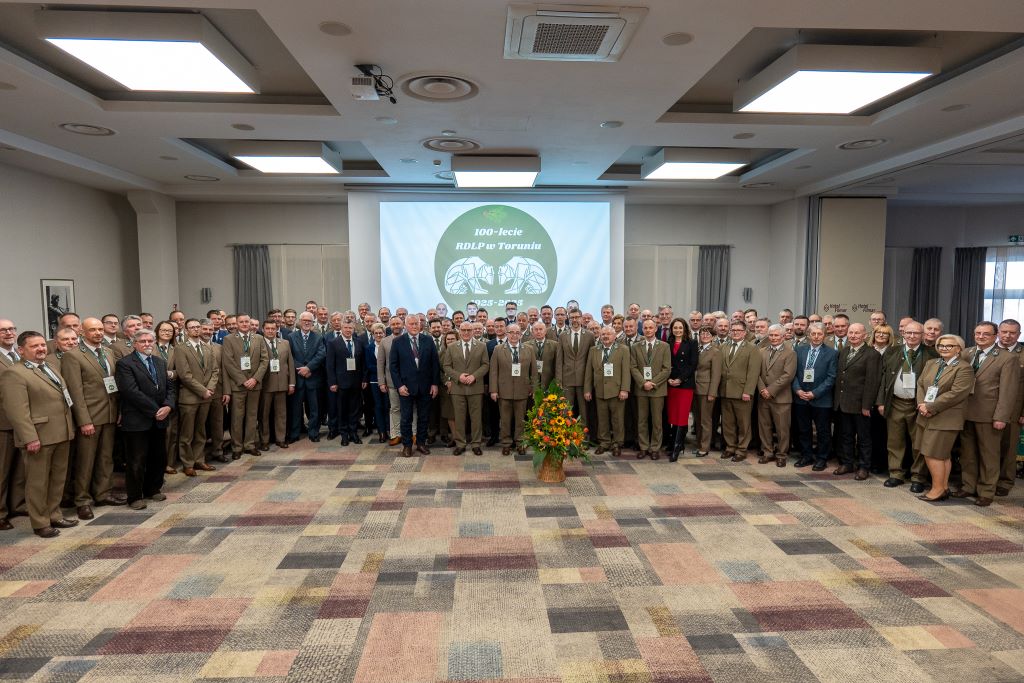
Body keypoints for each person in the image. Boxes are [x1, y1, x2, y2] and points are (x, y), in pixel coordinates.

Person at [0, 331, 77, 537]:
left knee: (58, 479)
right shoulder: (14, 373)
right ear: (21, 350)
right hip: (39, 436)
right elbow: (17, 411)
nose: (41, 349)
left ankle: (54, 514)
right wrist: (30, 437)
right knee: (38, 482)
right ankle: (40, 522)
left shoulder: (49, 367)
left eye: (43, 345)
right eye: (34, 346)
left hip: (62, 432)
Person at [61, 317, 126, 519]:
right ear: (82, 332)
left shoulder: (107, 352)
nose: (98, 333)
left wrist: (119, 411)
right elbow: (75, 391)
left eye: (99, 329)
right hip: (90, 416)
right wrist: (84, 420)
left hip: (109, 413)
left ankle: (103, 493)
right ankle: (82, 500)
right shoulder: (73, 356)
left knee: (106, 458)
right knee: (85, 461)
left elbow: (113, 384)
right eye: (93, 330)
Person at [955, 321, 1020, 506]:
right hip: (965, 412)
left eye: (985, 334)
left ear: (995, 336)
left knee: (988, 455)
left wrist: (1001, 417)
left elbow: (1009, 391)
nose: (981, 337)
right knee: (967, 453)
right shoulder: (966, 353)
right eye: (977, 333)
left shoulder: (1007, 358)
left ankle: (986, 491)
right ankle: (968, 486)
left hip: (989, 415)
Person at [115, 329, 176, 511]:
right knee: (137, 459)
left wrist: (168, 406)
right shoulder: (125, 364)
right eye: (143, 341)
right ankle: (135, 496)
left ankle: (153, 488)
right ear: (134, 344)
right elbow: (130, 391)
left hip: (160, 418)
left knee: (158, 457)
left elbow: (170, 388)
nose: (147, 344)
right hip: (137, 420)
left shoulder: (159, 361)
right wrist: (155, 410)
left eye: (150, 341)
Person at [914, 334, 974, 502]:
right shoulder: (932, 363)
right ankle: (944, 487)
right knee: (940, 454)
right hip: (925, 415)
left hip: (946, 418)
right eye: (941, 345)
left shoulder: (964, 368)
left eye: (949, 346)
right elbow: (920, 384)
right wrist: (921, 404)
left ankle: (937, 489)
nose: (944, 348)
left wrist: (930, 407)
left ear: (958, 349)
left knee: (933, 454)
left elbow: (957, 393)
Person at [877, 321, 935, 492]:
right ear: (903, 334)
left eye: (916, 333)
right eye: (908, 333)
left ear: (923, 335)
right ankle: (896, 474)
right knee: (894, 442)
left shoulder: (931, 354)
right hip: (895, 402)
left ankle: (918, 477)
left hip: (918, 406)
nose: (911, 336)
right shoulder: (892, 351)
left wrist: (928, 404)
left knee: (918, 443)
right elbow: (883, 378)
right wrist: (880, 401)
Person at [833, 323, 881, 480]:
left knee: (863, 438)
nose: (853, 335)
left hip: (861, 405)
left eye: (857, 333)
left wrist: (867, 405)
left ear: (865, 335)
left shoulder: (872, 354)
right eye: (851, 332)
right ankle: (847, 463)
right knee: (845, 435)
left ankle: (863, 467)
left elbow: (872, 382)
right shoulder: (844, 351)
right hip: (843, 403)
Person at [174, 318, 221, 475]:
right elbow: (184, 375)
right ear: (186, 330)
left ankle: (199, 460)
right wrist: (203, 390)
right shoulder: (181, 348)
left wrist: (210, 389)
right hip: (189, 398)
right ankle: (188, 463)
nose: (195, 329)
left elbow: (215, 371)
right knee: (187, 433)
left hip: (206, 396)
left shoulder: (207, 348)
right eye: (191, 327)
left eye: (197, 327)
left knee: (201, 431)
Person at [389, 315, 439, 457]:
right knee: (406, 418)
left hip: (425, 386)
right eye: (411, 324)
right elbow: (393, 366)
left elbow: (435, 364)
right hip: (406, 388)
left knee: (423, 417)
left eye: (416, 323)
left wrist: (435, 384)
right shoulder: (398, 341)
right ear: (406, 325)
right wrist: (399, 385)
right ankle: (407, 445)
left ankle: (421, 443)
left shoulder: (428, 340)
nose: (414, 326)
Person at [222, 314, 269, 458]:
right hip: (238, 386)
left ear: (250, 323)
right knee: (237, 417)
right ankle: (237, 447)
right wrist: (243, 380)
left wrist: (255, 379)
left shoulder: (259, 338)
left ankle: (249, 445)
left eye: (246, 321)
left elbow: (264, 360)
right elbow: (228, 362)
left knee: (252, 416)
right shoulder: (228, 339)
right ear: (236, 324)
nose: (244, 324)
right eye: (241, 322)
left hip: (255, 385)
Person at [792, 323, 837, 470]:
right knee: (803, 429)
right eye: (813, 334)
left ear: (824, 335)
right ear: (808, 335)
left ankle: (822, 458)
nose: (816, 337)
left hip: (821, 400)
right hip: (801, 397)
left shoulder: (832, 353)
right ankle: (806, 456)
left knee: (823, 431)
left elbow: (831, 378)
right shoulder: (799, 350)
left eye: (819, 334)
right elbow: (793, 373)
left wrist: (815, 393)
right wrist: (797, 390)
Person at [490, 323, 537, 455]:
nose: (514, 335)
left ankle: (520, 442)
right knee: (505, 420)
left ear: (521, 334)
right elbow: (493, 371)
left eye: (517, 333)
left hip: (523, 390)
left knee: (521, 419)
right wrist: (494, 390)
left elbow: (533, 372)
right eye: (511, 332)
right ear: (507, 334)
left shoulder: (529, 349)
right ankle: (506, 443)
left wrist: (534, 388)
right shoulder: (498, 349)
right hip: (503, 391)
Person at [584, 326, 630, 457]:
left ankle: (617, 443)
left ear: (615, 336)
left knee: (618, 419)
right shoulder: (594, 350)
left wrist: (624, 389)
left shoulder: (623, 350)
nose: (605, 336)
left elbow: (626, 371)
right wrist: (587, 389)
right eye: (603, 334)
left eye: (608, 334)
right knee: (602, 419)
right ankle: (604, 443)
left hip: (617, 391)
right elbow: (588, 372)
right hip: (599, 391)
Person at [444, 321, 489, 456]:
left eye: (469, 330)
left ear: (473, 331)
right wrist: (459, 376)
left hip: (475, 387)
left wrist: (474, 376)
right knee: (459, 417)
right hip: (458, 388)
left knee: (476, 418)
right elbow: (446, 366)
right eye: (463, 330)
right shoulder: (452, 347)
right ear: (459, 331)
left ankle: (476, 444)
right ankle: (460, 444)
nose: (466, 332)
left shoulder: (481, 346)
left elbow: (485, 365)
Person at [718, 321, 761, 462]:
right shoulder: (723, 346)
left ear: (745, 332)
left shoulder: (752, 348)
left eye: (738, 330)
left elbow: (753, 373)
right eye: (733, 330)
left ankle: (742, 449)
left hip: (743, 392)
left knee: (743, 423)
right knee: (727, 423)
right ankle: (730, 447)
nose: (735, 332)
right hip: (725, 391)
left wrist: (748, 391)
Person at [757, 324, 797, 467]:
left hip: (781, 398)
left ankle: (781, 455)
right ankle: (767, 452)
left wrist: (771, 390)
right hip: (763, 397)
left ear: (783, 336)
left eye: (776, 335)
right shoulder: (761, 351)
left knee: (782, 429)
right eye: (771, 335)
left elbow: (788, 375)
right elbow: (756, 373)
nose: (773, 338)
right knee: (764, 426)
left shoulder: (790, 353)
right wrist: (763, 389)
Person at [631, 318, 672, 460]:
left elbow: (666, 369)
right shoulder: (636, 346)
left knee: (657, 421)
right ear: (642, 329)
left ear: (656, 329)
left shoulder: (664, 346)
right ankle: (643, 447)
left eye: (651, 328)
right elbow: (633, 367)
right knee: (641, 420)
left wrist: (653, 383)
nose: (648, 330)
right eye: (646, 328)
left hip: (657, 389)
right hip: (641, 389)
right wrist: (643, 383)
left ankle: (655, 448)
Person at [326, 320, 366, 445]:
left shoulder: (359, 342)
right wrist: (332, 382)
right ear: (341, 328)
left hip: (356, 381)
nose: (348, 330)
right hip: (340, 383)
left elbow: (363, 364)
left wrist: (364, 379)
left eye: (350, 328)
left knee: (354, 409)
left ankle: (353, 432)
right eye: (346, 327)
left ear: (354, 329)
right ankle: (344, 434)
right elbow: (330, 365)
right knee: (342, 409)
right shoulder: (333, 343)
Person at [288, 312, 325, 443]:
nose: (307, 322)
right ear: (300, 321)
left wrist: (308, 368)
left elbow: (321, 354)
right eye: (304, 320)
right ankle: (294, 434)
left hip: (313, 378)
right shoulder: (291, 337)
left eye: (310, 321)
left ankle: (314, 432)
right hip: (297, 379)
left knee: (314, 409)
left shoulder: (318, 337)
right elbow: (289, 356)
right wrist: (301, 369)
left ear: (313, 322)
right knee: (296, 409)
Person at [557, 309, 594, 438]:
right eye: (572, 317)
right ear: (568, 318)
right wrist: (559, 381)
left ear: (581, 318)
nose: (575, 320)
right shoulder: (563, 336)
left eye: (577, 317)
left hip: (584, 380)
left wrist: (589, 383)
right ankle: (565, 437)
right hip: (567, 380)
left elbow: (592, 360)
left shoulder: (589, 335)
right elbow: (559, 360)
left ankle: (582, 437)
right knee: (566, 410)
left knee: (584, 411)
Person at [258, 320, 295, 450]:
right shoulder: (258, 343)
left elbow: (290, 363)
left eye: (273, 329)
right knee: (264, 414)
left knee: (281, 413)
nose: (270, 331)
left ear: (276, 329)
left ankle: (281, 438)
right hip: (265, 384)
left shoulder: (284, 343)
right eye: (267, 328)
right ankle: (264, 440)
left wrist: (292, 383)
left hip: (282, 384)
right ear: (263, 330)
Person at [691, 326, 721, 459]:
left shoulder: (715, 351)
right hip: (694, 389)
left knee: (705, 420)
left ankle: (704, 447)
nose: (704, 335)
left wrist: (712, 392)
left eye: (708, 334)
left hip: (706, 390)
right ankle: (698, 444)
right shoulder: (697, 349)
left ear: (713, 336)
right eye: (702, 333)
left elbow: (716, 374)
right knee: (697, 419)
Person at [364, 323, 390, 443]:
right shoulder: (369, 348)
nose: (379, 335)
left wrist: (385, 372)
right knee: (378, 406)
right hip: (375, 381)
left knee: (388, 406)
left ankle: (390, 430)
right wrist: (381, 370)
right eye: (376, 333)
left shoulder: (390, 345)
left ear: (384, 333)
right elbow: (369, 365)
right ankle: (382, 432)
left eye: (381, 333)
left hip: (389, 380)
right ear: (373, 334)